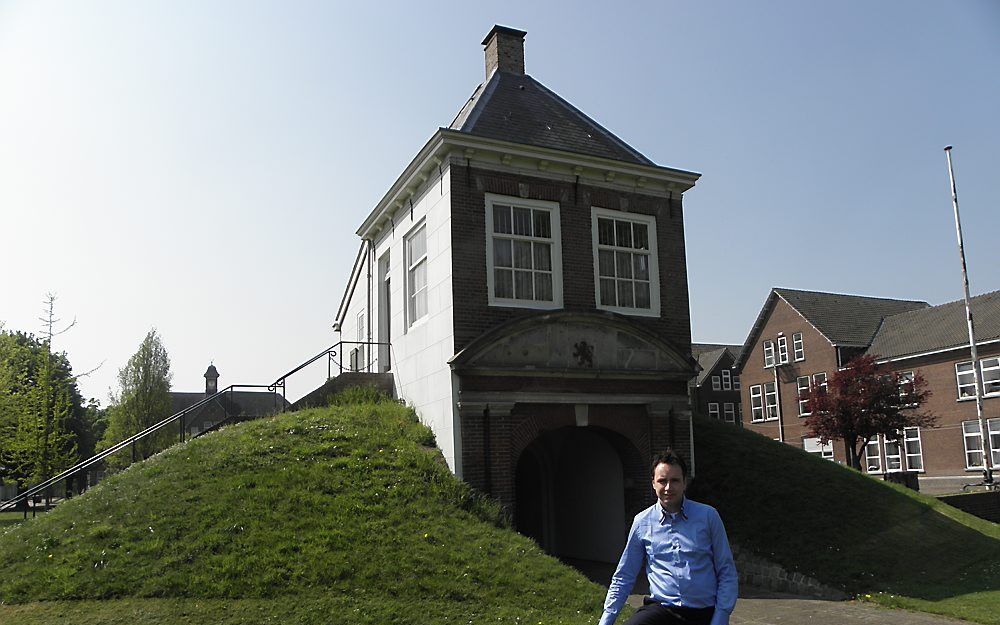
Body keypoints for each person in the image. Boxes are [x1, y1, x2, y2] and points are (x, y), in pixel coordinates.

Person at [598, 450, 737, 625]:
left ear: (685, 483)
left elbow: (727, 571)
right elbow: (625, 575)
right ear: (653, 484)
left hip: (703, 611)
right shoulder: (642, 522)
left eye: (675, 481)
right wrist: (606, 620)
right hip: (661, 609)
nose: (668, 488)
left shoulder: (709, 517)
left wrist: (721, 617)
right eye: (662, 481)